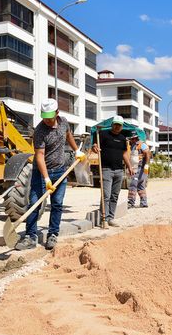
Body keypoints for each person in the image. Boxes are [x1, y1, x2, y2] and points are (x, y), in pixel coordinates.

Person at [14, 98, 86, 251]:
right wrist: (46, 178)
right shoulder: (40, 130)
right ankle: (30, 237)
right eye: (44, 117)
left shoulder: (64, 122)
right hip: (41, 173)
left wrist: (76, 150)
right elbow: (39, 155)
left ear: (57, 113)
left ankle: (53, 234)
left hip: (60, 170)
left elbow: (68, 135)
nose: (46, 120)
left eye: (49, 117)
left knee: (57, 204)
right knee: (35, 203)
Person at [91, 115, 134, 226]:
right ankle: (103, 219)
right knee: (106, 195)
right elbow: (95, 146)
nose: (117, 127)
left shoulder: (122, 138)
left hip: (119, 170)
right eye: (115, 124)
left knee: (114, 195)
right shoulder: (102, 134)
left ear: (121, 126)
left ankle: (111, 217)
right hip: (106, 169)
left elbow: (124, 153)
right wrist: (94, 147)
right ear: (112, 124)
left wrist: (129, 166)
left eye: (119, 125)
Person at [127, 132, 151, 208]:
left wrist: (146, 165)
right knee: (140, 185)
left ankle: (131, 202)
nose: (130, 140)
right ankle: (144, 203)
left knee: (133, 184)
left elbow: (147, 153)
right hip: (137, 168)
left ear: (135, 138)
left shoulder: (141, 144)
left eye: (131, 139)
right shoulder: (133, 145)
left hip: (140, 168)